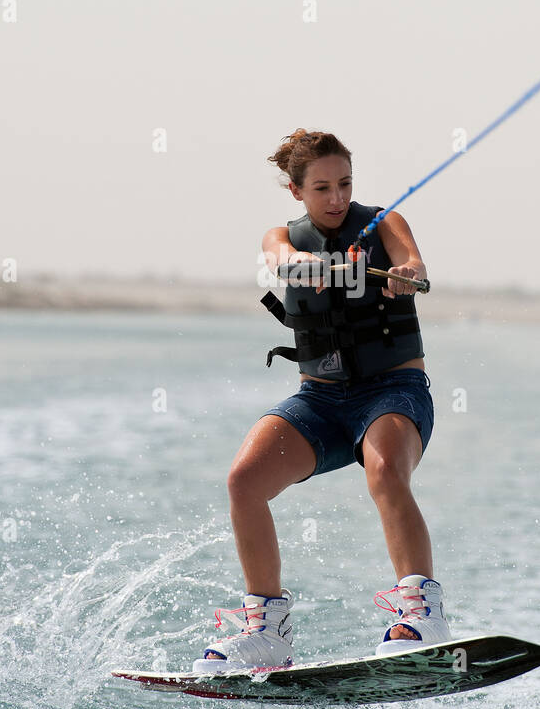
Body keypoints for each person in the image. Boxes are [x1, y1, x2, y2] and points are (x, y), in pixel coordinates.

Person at [192, 128, 451, 672]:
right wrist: (301, 265)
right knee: (244, 481)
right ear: (297, 191)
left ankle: (421, 614)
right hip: (322, 399)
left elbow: (415, 264)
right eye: (323, 188)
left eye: (345, 184)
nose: (336, 198)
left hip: (393, 391)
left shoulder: (385, 223)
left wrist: (407, 274)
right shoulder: (281, 235)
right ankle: (267, 630)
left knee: (383, 472)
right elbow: (280, 260)